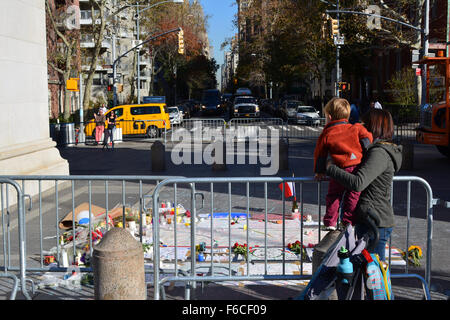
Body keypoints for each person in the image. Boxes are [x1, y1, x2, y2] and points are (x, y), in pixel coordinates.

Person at [326, 109, 403, 261]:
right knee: (368, 272)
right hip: (369, 218)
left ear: (375, 126)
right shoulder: (375, 150)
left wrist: (330, 169)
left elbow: (358, 182)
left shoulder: (379, 153)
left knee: (374, 275)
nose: (360, 126)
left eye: (365, 123)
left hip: (375, 221)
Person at [314, 97, 373, 230]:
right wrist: (365, 150)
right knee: (353, 197)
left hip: (339, 170)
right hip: (356, 168)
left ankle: (330, 222)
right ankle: (347, 222)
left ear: (329, 116)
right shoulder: (356, 128)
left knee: (334, 196)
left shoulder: (327, 133)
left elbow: (320, 154)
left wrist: (319, 171)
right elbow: (367, 138)